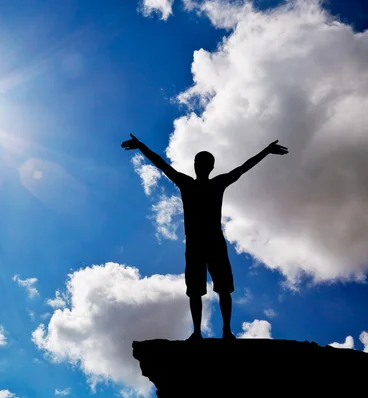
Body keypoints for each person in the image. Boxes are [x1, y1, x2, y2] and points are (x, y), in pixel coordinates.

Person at [121, 134, 288, 340]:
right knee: (198, 289)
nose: (200, 165)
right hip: (199, 242)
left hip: (207, 241)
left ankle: (223, 331)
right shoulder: (197, 183)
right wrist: (141, 146)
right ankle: (201, 332)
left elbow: (242, 168)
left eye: (202, 163)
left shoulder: (201, 183)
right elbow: (162, 164)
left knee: (220, 288)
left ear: (206, 166)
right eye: (200, 162)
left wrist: (265, 151)